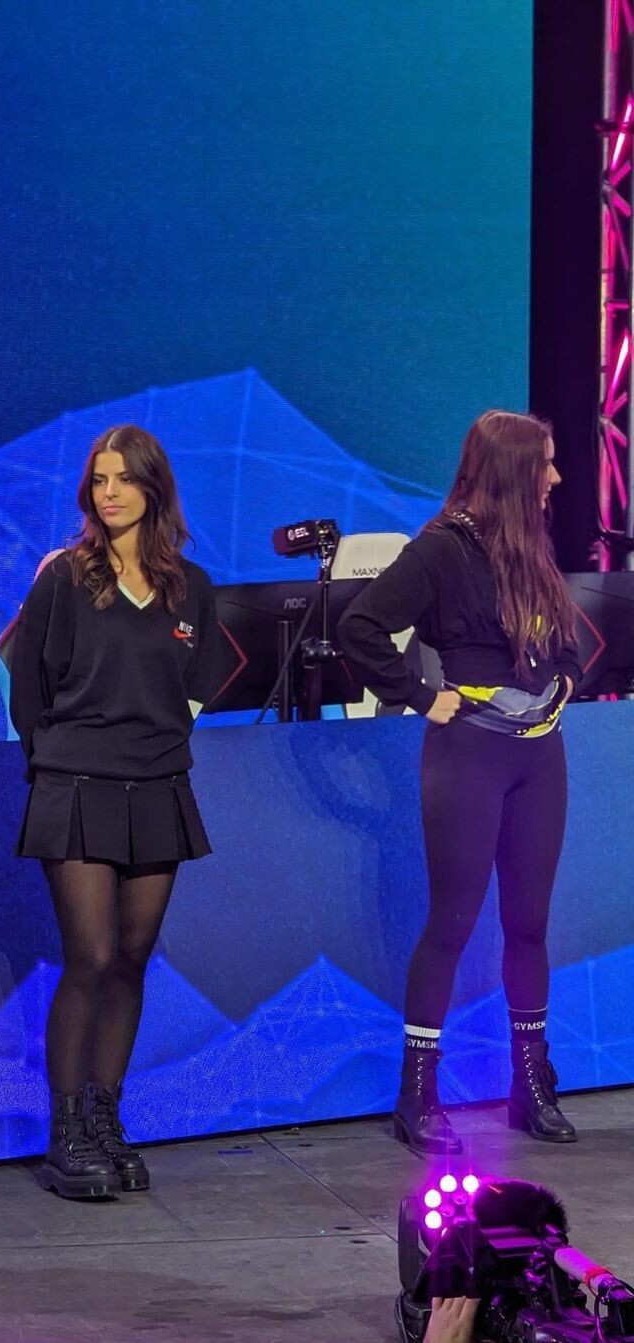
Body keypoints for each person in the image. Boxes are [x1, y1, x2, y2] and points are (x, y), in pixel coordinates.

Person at [338, 411, 580, 1155]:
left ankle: (531, 1083)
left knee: (530, 923)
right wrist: (420, 694)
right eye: (545, 464)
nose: (556, 477)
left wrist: (565, 675)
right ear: (513, 472)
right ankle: (417, 1093)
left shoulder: (530, 544)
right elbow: (360, 627)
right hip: (468, 754)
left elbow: (564, 637)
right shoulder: (442, 548)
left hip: (539, 755)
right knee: (453, 921)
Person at [9, 424, 221, 1199]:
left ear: (152, 487)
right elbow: (26, 684)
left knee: (131, 959)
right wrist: (54, 757)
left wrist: (158, 738)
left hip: (158, 787)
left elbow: (201, 680)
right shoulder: (65, 578)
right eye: (99, 480)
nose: (109, 493)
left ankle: (105, 1119)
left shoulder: (191, 586)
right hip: (75, 785)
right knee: (91, 957)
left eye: (123, 479)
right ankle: (65, 1133)